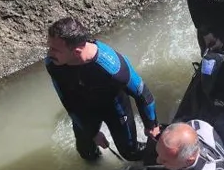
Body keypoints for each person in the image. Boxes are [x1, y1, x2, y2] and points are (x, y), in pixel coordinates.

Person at [45, 17, 160, 162]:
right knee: (87, 154)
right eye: (49, 47)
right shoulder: (53, 64)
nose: (49, 53)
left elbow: (143, 95)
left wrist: (151, 126)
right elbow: (67, 100)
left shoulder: (112, 67)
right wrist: (92, 132)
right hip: (84, 109)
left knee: (131, 154)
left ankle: (166, 156)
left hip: (115, 107)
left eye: (54, 49)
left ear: (76, 51)